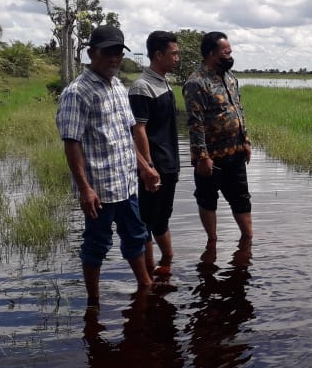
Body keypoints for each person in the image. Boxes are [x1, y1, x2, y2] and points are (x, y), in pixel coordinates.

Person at [56, 25, 161, 310]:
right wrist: (85, 189)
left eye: (118, 53)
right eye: (107, 53)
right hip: (100, 190)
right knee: (96, 245)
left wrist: (145, 168)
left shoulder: (118, 87)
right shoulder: (77, 93)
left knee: (136, 236)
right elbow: (72, 143)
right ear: (91, 54)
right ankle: (93, 303)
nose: (114, 58)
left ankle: (145, 285)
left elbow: (126, 137)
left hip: (126, 185)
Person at [182, 31, 253, 249]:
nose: (230, 56)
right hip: (211, 157)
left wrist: (246, 140)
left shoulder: (230, 78)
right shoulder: (197, 83)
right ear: (212, 54)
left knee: (241, 199)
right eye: (226, 52)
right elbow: (195, 123)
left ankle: (247, 241)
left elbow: (238, 110)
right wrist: (203, 157)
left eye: (230, 52)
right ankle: (212, 243)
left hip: (236, 152)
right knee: (207, 200)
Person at [128, 30, 181, 278]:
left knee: (162, 218)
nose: (177, 58)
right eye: (174, 53)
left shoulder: (162, 82)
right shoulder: (142, 86)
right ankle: (148, 278)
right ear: (158, 55)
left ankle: (166, 265)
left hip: (169, 164)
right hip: (154, 166)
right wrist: (148, 166)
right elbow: (138, 129)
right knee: (146, 222)